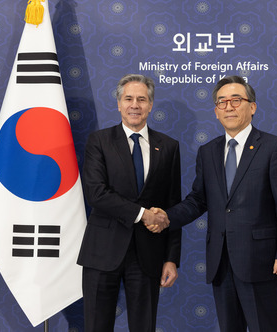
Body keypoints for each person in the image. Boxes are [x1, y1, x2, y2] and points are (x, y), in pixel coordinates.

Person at [150, 76, 277, 332]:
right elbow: (198, 200)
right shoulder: (208, 151)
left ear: (252, 107)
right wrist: (166, 217)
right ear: (216, 112)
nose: (229, 107)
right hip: (220, 261)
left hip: (260, 260)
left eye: (236, 100)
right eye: (222, 102)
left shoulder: (273, 148)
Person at [77, 74, 181, 332]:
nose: (135, 105)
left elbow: (172, 205)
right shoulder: (99, 141)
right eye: (129, 99)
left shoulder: (168, 146)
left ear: (150, 105)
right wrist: (143, 214)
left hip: (148, 254)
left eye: (142, 99)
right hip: (102, 252)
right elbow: (96, 193)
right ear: (119, 104)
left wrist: (171, 258)